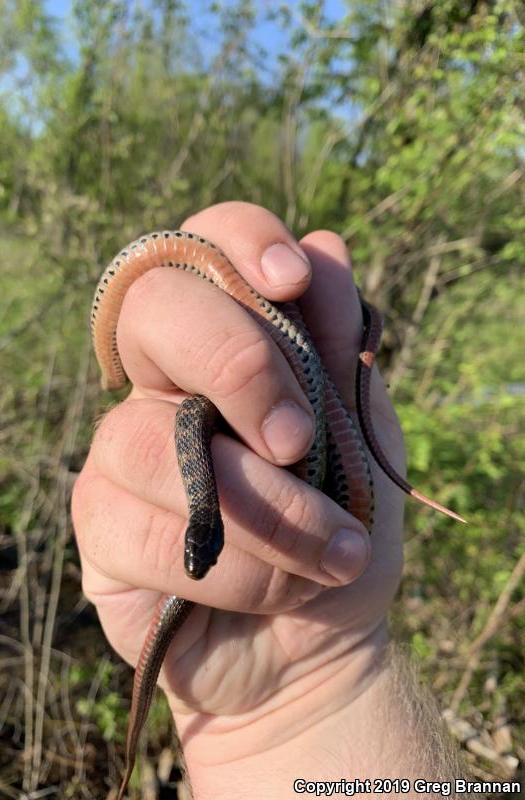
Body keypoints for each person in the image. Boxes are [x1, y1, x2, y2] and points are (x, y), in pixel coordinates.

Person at [71, 202, 476, 799]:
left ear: (197, 531)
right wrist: (274, 723)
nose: (200, 566)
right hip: (266, 705)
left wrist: (328, 687)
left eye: (201, 553)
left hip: (326, 661)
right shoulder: (206, 504)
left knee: (215, 403)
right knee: (201, 408)